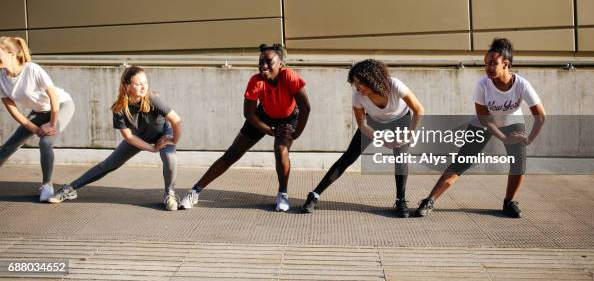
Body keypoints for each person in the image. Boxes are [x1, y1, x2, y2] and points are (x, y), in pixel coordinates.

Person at [414, 38, 546, 218]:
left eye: (493, 63)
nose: (488, 68)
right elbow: (485, 120)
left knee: (519, 165)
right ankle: (429, 200)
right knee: (461, 162)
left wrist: (528, 139)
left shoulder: (521, 84)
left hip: (512, 121)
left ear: (505, 64)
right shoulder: (482, 85)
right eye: (486, 64)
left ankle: (509, 202)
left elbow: (540, 116)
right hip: (483, 122)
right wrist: (504, 138)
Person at [179, 44, 310, 212]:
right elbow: (249, 114)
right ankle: (195, 192)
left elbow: (306, 107)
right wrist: (270, 131)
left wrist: (296, 133)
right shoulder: (256, 81)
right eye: (260, 61)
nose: (263, 66)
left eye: (269, 62)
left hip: (288, 116)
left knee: (281, 149)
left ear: (280, 65)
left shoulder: (289, 77)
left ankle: (282, 194)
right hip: (263, 115)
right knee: (232, 153)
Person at [302, 59, 424, 218]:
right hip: (374, 121)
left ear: (373, 79)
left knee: (401, 159)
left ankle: (400, 200)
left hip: (401, 120)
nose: (357, 86)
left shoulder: (395, 85)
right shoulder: (357, 96)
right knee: (348, 157)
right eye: (354, 82)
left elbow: (419, 109)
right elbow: (362, 124)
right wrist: (381, 139)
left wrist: (409, 135)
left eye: (361, 82)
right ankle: (314, 195)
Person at [48, 66, 182, 211]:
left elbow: (176, 120)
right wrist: (152, 148)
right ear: (127, 86)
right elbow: (129, 137)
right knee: (107, 165)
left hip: (162, 134)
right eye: (138, 84)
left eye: (145, 82)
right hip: (137, 137)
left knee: (170, 157)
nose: (144, 86)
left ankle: (170, 193)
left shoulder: (152, 99)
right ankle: (69, 189)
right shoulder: (118, 109)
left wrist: (173, 140)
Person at [0, 36, 75, 202]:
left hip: (61, 106)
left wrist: (52, 123)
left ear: (12, 53)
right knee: (7, 148)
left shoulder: (31, 69)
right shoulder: (1, 78)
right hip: (39, 112)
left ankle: (47, 186)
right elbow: (14, 112)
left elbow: (53, 95)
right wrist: (36, 129)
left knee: (46, 142)